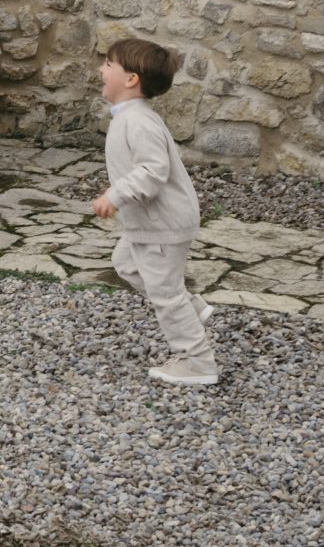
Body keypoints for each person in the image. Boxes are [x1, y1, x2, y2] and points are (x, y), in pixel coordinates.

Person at [90, 36, 218, 387]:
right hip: (150, 224)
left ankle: (198, 363)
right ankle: (191, 308)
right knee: (126, 263)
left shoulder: (138, 122)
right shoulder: (130, 117)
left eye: (108, 64)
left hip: (162, 224)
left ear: (131, 79)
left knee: (165, 294)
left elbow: (152, 171)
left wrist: (115, 195)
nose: (101, 69)